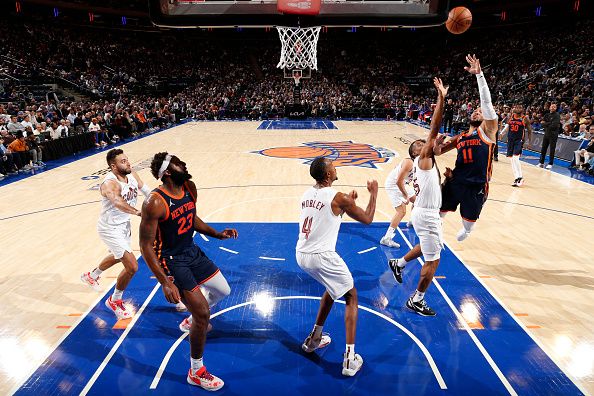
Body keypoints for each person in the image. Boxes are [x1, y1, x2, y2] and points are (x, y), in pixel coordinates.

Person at [139, 152, 236, 391]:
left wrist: (217, 234)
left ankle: (191, 319)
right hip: (172, 261)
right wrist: (165, 282)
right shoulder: (155, 202)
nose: (184, 163)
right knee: (203, 314)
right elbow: (145, 246)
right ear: (168, 172)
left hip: (191, 251)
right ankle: (196, 371)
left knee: (223, 290)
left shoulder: (189, 188)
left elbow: (192, 218)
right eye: (178, 162)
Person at [295, 156, 378, 377]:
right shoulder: (338, 197)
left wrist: (345, 204)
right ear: (328, 174)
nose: (335, 166)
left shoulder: (307, 194)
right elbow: (368, 218)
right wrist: (374, 193)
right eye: (332, 165)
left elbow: (329, 214)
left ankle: (314, 340)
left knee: (332, 289)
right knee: (351, 295)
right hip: (322, 256)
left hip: (301, 254)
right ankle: (350, 360)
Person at [388, 77, 448, 317]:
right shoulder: (422, 160)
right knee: (433, 261)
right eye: (422, 143)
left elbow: (440, 143)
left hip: (425, 212)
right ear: (418, 151)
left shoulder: (427, 162)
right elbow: (434, 127)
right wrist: (441, 98)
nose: (427, 143)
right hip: (427, 214)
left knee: (425, 247)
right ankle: (417, 299)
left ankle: (399, 263)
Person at [432, 54, 499, 241]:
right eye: (475, 111)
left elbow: (487, 104)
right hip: (456, 180)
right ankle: (435, 233)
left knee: (468, 223)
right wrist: (437, 144)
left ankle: (468, 230)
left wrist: (479, 75)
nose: (478, 112)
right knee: (440, 212)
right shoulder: (460, 137)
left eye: (481, 112)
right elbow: (438, 152)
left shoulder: (487, 132)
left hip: (476, 185)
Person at [80, 149, 151, 319]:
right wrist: (138, 212)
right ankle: (115, 300)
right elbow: (118, 201)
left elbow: (145, 189)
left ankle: (92, 275)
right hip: (109, 228)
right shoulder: (109, 184)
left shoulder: (131, 173)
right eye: (123, 161)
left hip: (123, 225)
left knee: (118, 256)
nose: (127, 163)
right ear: (113, 166)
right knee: (132, 266)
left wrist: (159, 201)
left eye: (127, 159)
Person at [379, 142, 423, 247]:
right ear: (414, 152)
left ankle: (412, 221)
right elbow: (398, 181)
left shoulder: (420, 162)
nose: (423, 145)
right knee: (401, 211)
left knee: (419, 201)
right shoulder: (409, 162)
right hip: (394, 184)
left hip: (402, 184)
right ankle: (386, 238)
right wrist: (406, 195)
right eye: (419, 144)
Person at [506, 105, 532, 187]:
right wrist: (502, 133)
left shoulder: (525, 118)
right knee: (512, 160)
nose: (517, 109)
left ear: (522, 109)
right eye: (516, 107)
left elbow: (530, 130)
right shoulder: (510, 116)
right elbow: (508, 126)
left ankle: (520, 177)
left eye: (519, 107)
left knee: (516, 158)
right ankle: (516, 177)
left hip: (519, 140)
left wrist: (529, 142)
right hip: (510, 140)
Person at [539, 103, 561, 169]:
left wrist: (546, 124)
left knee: (552, 149)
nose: (552, 108)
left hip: (553, 135)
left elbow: (554, 125)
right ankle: (541, 163)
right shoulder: (547, 115)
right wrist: (549, 123)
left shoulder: (557, 115)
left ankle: (550, 163)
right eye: (552, 106)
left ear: (556, 108)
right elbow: (542, 124)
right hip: (546, 134)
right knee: (543, 149)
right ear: (549, 108)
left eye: (554, 107)